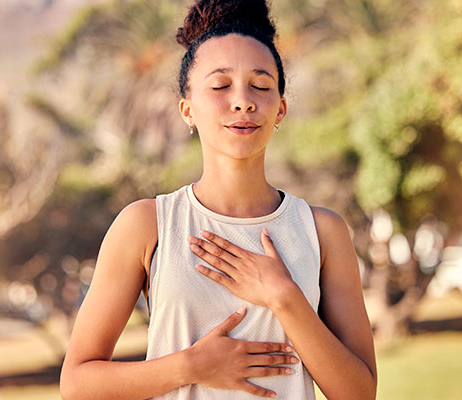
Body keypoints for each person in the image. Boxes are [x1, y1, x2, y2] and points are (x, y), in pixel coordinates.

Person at [59, 0, 377, 399]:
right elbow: (76, 384)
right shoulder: (147, 224)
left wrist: (285, 297)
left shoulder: (322, 231)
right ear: (187, 109)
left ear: (280, 109)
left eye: (260, 86)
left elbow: (359, 393)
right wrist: (191, 366)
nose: (242, 100)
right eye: (220, 85)